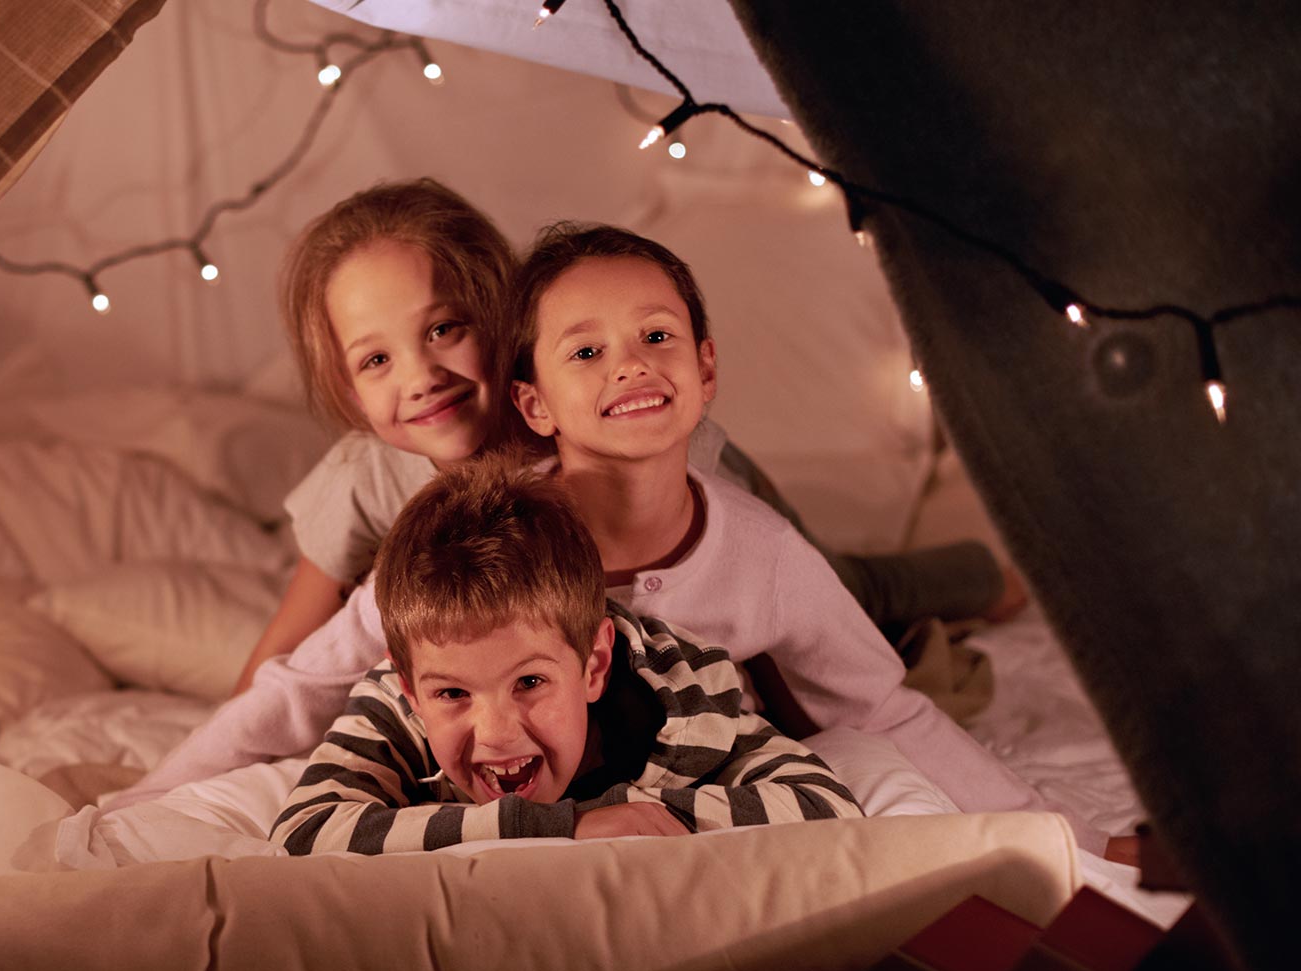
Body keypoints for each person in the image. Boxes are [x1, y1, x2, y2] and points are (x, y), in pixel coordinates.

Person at [94, 220, 1123, 861]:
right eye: (587, 349)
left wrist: (1068, 839)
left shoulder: (757, 553)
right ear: (533, 401)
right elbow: (303, 685)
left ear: (706, 368)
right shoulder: (488, 534)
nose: (629, 365)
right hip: (535, 799)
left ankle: (968, 582)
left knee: (880, 658)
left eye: (657, 338)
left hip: (695, 751)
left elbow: (884, 710)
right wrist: (143, 798)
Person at [233, 178, 1017, 693]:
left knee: (848, 591)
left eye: (445, 328)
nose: (421, 374)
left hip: (710, 493)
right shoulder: (367, 477)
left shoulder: (600, 436)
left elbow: (727, 603)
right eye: (375, 359)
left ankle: (989, 575)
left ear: (506, 324)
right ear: (344, 386)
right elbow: (287, 657)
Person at [271, 453, 861, 855]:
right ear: (411, 690)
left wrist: (644, 816)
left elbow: (823, 803)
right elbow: (303, 831)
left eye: (529, 683)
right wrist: (570, 825)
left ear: (594, 666)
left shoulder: (683, 701)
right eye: (453, 694)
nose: (497, 734)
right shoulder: (395, 702)